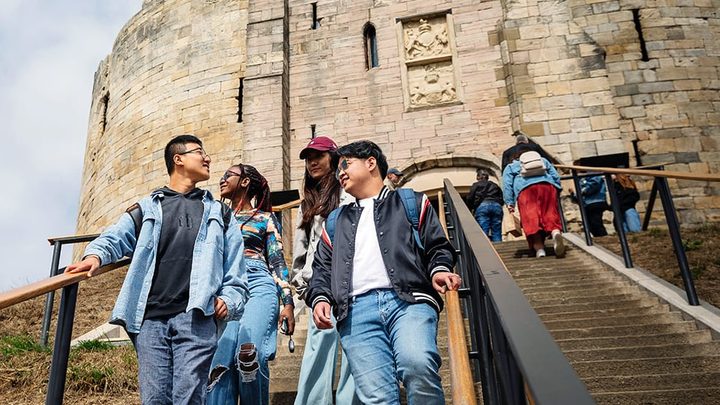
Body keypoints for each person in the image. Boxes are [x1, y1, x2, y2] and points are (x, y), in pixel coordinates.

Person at [66, 134, 248, 405]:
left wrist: (229, 299)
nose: (208, 158)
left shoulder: (220, 214)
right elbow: (116, 235)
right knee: (154, 399)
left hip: (196, 316)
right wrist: (95, 256)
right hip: (149, 320)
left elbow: (236, 270)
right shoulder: (148, 207)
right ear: (179, 160)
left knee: (188, 397)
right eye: (200, 152)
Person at [307, 140, 460, 405]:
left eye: (346, 164)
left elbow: (437, 246)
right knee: (377, 397)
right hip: (355, 313)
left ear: (370, 163)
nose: (339, 172)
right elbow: (321, 268)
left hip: (409, 302)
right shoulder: (335, 220)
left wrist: (439, 270)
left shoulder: (410, 202)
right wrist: (320, 297)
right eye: (338, 168)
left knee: (418, 365)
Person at [207, 164, 295, 405]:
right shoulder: (216, 219)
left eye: (229, 175)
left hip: (258, 283)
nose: (222, 179)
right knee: (220, 364)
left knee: (248, 354)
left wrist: (287, 303)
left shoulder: (264, 219)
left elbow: (277, 261)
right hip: (225, 289)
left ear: (245, 182)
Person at [290, 136, 360, 405]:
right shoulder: (308, 200)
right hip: (319, 282)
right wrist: (300, 287)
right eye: (308, 158)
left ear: (333, 157)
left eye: (318, 156)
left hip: (353, 278)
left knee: (354, 343)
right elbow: (301, 249)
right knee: (319, 345)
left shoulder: (349, 191)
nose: (312, 162)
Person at [502, 143, 566, 258]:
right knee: (550, 213)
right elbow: (555, 175)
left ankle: (539, 249)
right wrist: (557, 189)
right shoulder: (543, 161)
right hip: (547, 187)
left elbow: (507, 185)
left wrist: (509, 202)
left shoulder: (512, 166)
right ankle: (555, 232)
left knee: (531, 220)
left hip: (525, 191)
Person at [466, 168, 504, 242]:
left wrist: (470, 208)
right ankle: (499, 248)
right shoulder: (495, 185)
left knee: (483, 230)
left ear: (478, 177)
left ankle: (487, 250)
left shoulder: (476, 185)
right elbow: (501, 198)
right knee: (496, 231)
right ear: (487, 177)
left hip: (482, 206)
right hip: (496, 206)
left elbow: (470, 198)